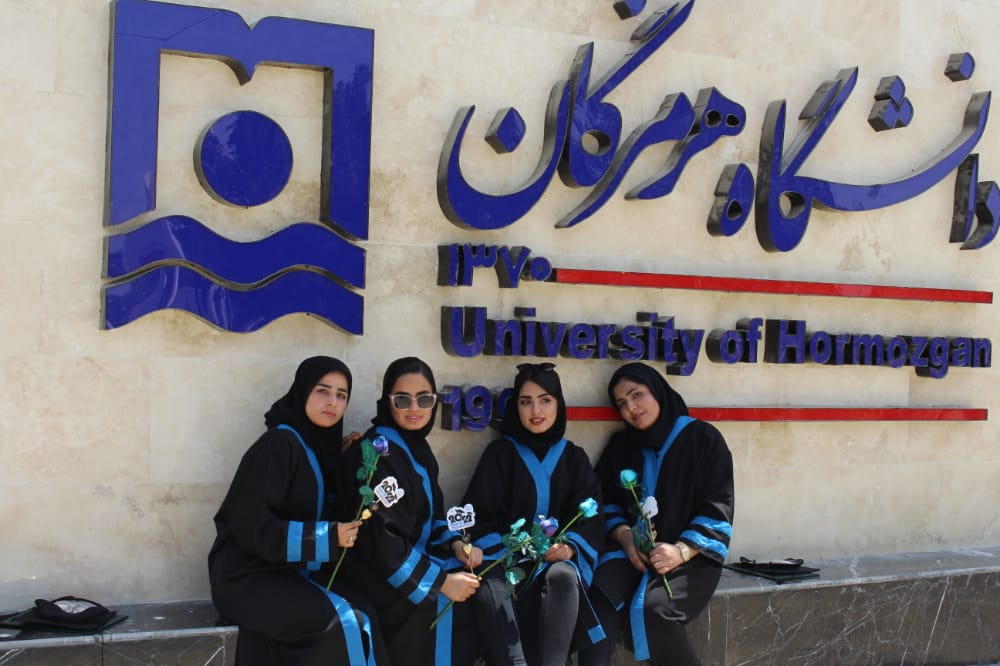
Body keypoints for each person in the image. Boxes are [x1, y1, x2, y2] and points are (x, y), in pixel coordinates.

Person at [208, 356, 384, 665]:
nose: (332, 402)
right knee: (339, 624)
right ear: (302, 391)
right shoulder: (278, 444)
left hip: (288, 572)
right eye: (322, 391)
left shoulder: (311, 446)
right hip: (248, 576)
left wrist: (342, 461)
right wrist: (327, 537)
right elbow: (252, 525)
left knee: (365, 613)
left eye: (341, 395)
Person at [578, 362, 734, 666]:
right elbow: (604, 501)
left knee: (656, 610)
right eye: (622, 403)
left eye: (637, 395)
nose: (631, 408)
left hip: (691, 557)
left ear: (658, 391)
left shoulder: (703, 439)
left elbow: (718, 506)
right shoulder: (621, 445)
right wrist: (625, 537)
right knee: (600, 591)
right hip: (631, 553)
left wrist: (680, 551)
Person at [340, 356, 482, 666]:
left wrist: (455, 545)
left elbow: (434, 516)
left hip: (406, 563)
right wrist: (441, 583)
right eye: (402, 399)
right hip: (378, 574)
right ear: (387, 401)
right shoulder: (376, 453)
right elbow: (381, 541)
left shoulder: (416, 448)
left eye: (424, 399)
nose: (414, 408)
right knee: (452, 605)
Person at [461, 362, 605, 666]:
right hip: (506, 568)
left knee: (564, 574)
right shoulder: (500, 454)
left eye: (545, 400)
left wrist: (569, 547)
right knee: (495, 586)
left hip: (553, 570)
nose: (535, 410)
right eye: (526, 401)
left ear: (558, 404)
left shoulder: (573, 458)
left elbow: (591, 519)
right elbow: (479, 517)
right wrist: (509, 558)